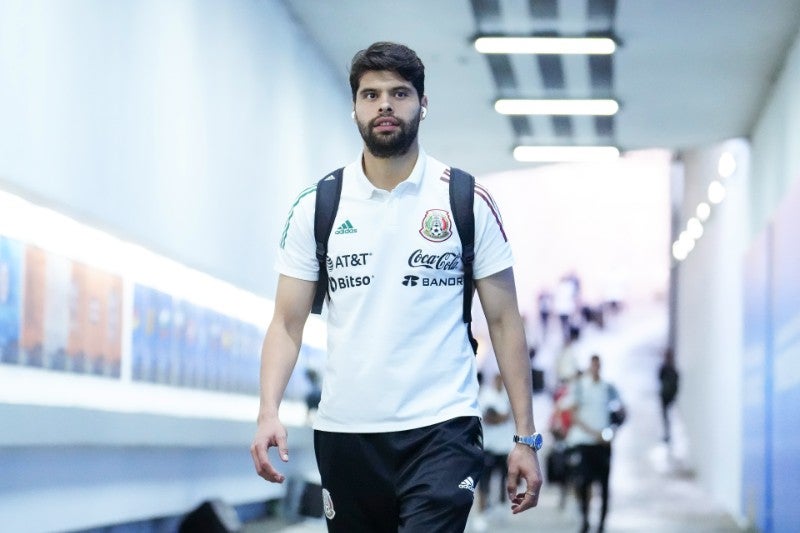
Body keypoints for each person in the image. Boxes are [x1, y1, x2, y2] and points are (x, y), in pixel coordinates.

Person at [250, 42, 543, 532]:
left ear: (422, 104)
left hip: (442, 428)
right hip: (347, 433)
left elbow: (504, 322)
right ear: (355, 108)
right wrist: (267, 412)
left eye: (399, 93)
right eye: (370, 95)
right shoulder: (317, 206)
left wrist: (526, 437)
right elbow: (286, 323)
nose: (384, 105)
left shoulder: (465, 200)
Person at [564, 354, 623, 533]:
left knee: (604, 486)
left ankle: (601, 524)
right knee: (584, 483)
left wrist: (610, 432)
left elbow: (621, 411)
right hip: (586, 442)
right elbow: (573, 415)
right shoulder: (581, 387)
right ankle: (585, 519)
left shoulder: (608, 388)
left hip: (602, 445)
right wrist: (593, 433)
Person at [473, 373, 514, 531]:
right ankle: (481, 514)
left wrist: (501, 417)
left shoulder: (507, 395)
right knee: (484, 483)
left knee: (505, 480)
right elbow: (487, 417)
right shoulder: (486, 395)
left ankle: (501, 509)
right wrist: (502, 417)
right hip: (489, 446)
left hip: (504, 447)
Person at [658, 348, 679, 443]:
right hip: (665, 396)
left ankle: (670, 435)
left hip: (668, 396)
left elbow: (675, 385)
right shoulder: (666, 369)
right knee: (665, 417)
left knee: (669, 417)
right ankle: (667, 434)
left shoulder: (672, 371)